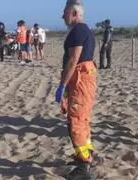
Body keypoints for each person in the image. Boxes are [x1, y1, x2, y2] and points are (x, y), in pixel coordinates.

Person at [56, 1, 98, 179]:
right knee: (82, 119)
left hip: (81, 80)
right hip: (83, 80)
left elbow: (73, 60)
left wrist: (62, 84)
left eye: (65, 13)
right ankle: (85, 155)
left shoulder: (78, 31)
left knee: (77, 121)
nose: (62, 16)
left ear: (74, 13)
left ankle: (84, 166)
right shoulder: (84, 30)